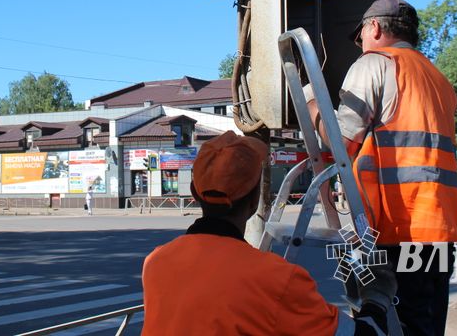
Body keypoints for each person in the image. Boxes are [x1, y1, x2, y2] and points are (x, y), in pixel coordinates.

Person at [306, 0, 457, 336]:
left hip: (399, 227)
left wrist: (313, 107)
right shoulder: (438, 78)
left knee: (397, 325)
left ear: (374, 27)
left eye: (360, 34)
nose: (360, 43)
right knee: (427, 325)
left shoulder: (374, 64)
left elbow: (341, 142)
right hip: (441, 227)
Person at [141, 131, 366, 336]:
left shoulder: (155, 262)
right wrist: (377, 299)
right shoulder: (276, 279)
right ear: (254, 200)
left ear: (194, 193)